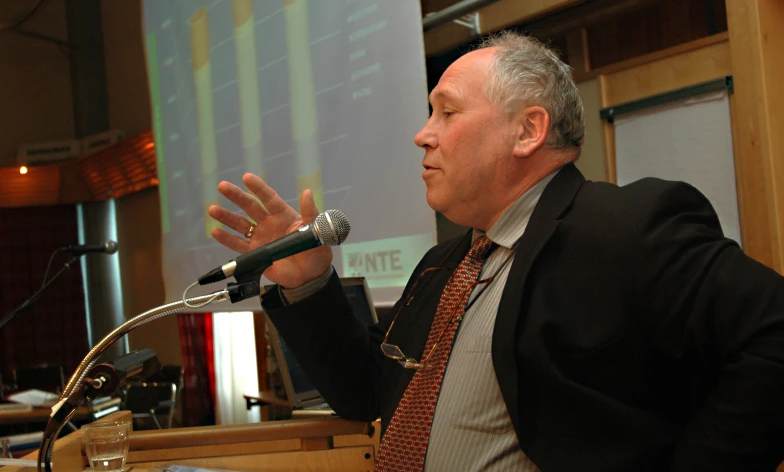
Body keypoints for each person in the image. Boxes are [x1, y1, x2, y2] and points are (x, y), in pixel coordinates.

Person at [208, 32, 784, 472]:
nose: (422, 134)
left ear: (528, 131)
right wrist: (308, 281)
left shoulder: (624, 226)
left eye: (447, 112)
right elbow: (367, 393)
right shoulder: (444, 264)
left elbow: (773, 334)